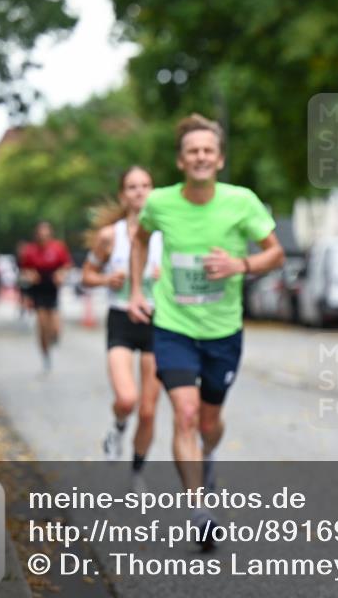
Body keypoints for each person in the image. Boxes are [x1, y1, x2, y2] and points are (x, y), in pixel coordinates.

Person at [127, 113, 284, 548]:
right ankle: (199, 508)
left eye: (207, 151)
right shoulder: (159, 203)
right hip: (173, 327)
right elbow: (139, 239)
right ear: (181, 161)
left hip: (222, 331)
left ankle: (208, 453)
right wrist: (136, 291)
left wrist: (241, 265)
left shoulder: (242, 202)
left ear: (219, 160)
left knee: (210, 422)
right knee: (185, 414)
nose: (200, 156)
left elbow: (275, 254)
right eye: (192, 151)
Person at [82, 166, 164, 492]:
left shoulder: (166, 233)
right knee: (127, 399)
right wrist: (105, 279)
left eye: (145, 185)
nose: (139, 191)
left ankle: (137, 470)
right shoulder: (109, 236)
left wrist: (166, 275)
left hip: (158, 320)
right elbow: (87, 274)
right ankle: (117, 428)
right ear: (123, 195)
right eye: (132, 186)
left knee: (148, 410)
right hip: (121, 320)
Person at [19, 221, 72, 372]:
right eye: (41, 235)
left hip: (52, 286)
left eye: (46, 235)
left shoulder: (58, 248)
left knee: (55, 323)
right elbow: (24, 270)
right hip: (38, 288)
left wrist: (61, 274)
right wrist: (30, 275)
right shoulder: (30, 250)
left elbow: (67, 265)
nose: (44, 238)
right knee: (42, 323)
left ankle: (55, 336)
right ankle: (45, 353)